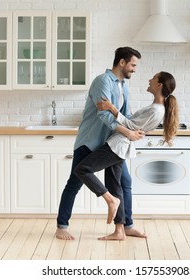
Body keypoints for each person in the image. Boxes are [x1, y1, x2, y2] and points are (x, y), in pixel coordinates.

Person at [75, 71, 179, 240]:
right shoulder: (156, 107)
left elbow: (130, 126)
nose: (149, 79)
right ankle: (120, 230)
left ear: (159, 85)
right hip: (119, 145)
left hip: (117, 145)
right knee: (116, 184)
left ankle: (110, 200)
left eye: (153, 78)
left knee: (82, 169)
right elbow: (133, 122)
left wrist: (112, 108)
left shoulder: (156, 109)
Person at [55, 47, 146, 240]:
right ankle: (62, 226)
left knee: (125, 182)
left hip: (111, 144)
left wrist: (132, 129)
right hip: (90, 141)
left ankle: (127, 225)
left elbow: (125, 115)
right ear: (121, 62)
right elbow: (104, 114)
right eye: (132, 64)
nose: (134, 69)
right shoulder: (102, 82)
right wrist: (128, 131)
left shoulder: (123, 86)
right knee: (75, 183)